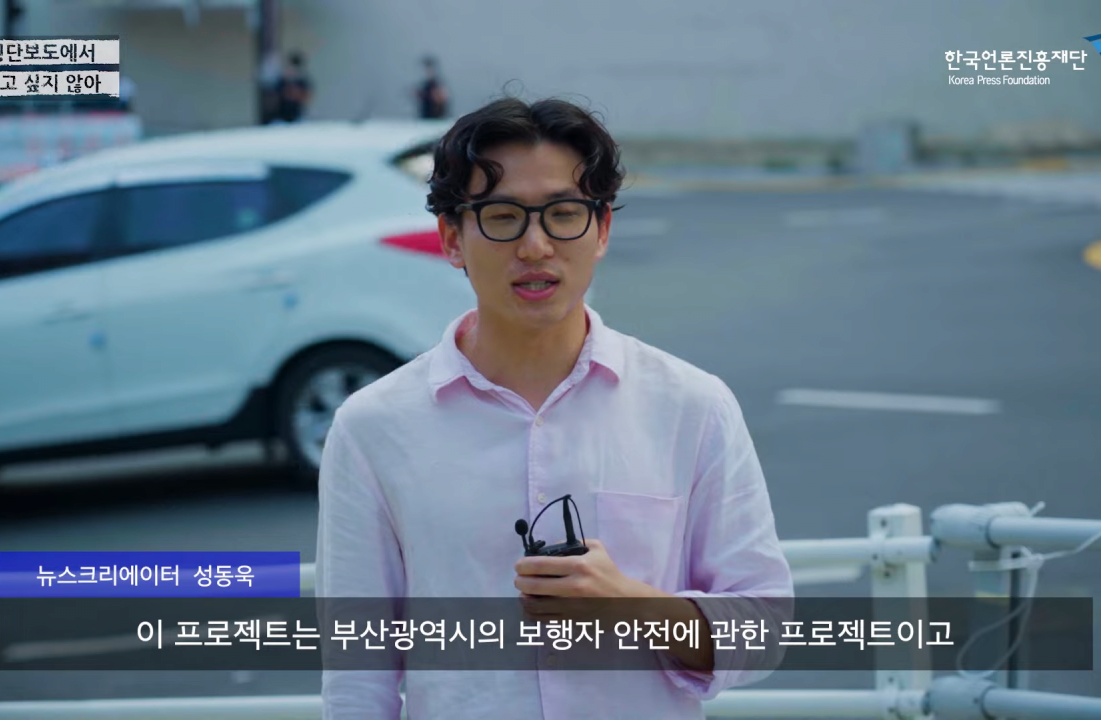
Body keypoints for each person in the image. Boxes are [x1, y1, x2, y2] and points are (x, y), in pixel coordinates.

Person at [315, 96, 793, 719]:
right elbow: (358, 675)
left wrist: (631, 607)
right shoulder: (373, 427)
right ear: (452, 238)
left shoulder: (691, 405)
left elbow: (764, 629)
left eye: (564, 213)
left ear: (601, 230)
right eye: (503, 216)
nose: (536, 245)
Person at [274, 51, 312, 123]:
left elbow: (307, 99)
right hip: (281, 118)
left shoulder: (302, 82)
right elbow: (277, 97)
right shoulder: (282, 81)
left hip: (298, 117)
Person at [415, 55, 449, 119]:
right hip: (426, 116)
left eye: (429, 70)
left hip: (437, 117)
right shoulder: (425, 85)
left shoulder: (438, 85)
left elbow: (443, 99)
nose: (427, 72)